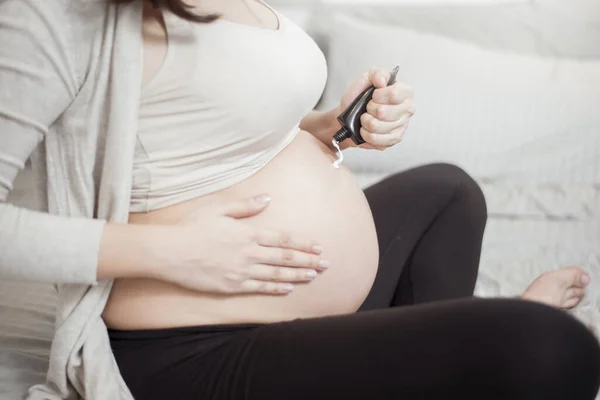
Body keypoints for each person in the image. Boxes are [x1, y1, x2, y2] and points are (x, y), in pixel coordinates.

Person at [0, 0, 598, 399]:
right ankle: (482, 344)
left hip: (280, 301)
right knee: (550, 346)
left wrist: (332, 127)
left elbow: (212, 133)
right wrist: (171, 253)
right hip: (187, 345)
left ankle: (452, 345)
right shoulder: (52, 17)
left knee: (448, 192)